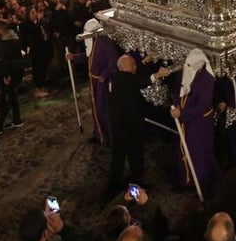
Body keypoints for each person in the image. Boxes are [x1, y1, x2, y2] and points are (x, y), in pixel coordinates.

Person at [171, 49, 221, 200]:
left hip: (199, 124)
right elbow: (178, 89)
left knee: (197, 153)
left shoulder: (207, 80)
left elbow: (203, 106)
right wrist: (176, 106)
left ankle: (199, 183)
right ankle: (185, 180)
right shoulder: (188, 71)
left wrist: (183, 114)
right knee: (184, 151)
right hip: (186, 120)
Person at [109, 54, 160, 193]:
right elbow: (139, 82)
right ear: (126, 67)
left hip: (118, 126)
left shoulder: (117, 77)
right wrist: (157, 75)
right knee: (136, 157)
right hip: (130, 127)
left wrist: (143, 62)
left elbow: (134, 76)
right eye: (134, 65)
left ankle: (113, 186)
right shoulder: (126, 80)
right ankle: (136, 188)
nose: (136, 66)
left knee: (118, 158)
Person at [0, 21, 24, 137]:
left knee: (5, 100)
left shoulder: (12, 42)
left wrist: (8, 75)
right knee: (12, 97)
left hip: (8, 76)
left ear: (0, 30)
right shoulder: (1, 40)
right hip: (2, 73)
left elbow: (14, 61)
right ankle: (17, 119)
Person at [86, 18, 117, 145]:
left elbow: (113, 60)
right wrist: (74, 58)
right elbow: (88, 55)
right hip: (93, 80)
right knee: (95, 108)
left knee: (104, 109)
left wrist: (104, 75)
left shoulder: (104, 41)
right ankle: (98, 133)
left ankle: (108, 137)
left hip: (102, 82)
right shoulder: (93, 41)